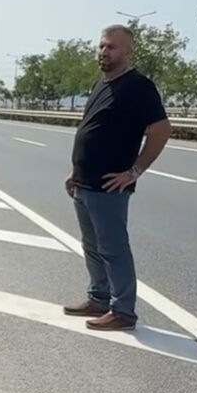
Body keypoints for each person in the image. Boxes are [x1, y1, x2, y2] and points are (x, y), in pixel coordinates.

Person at [62, 24, 171, 331]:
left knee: (113, 248)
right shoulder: (102, 84)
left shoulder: (138, 86)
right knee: (92, 246)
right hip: (84, 182)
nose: (104, 51)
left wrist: (134, 172)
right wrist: (76, 171)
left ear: (128, 51)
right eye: (101, 46)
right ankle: (99, 297)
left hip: (109, 186)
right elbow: (91, 129)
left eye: (111, 47)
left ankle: (123, 311)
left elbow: (161, 130)